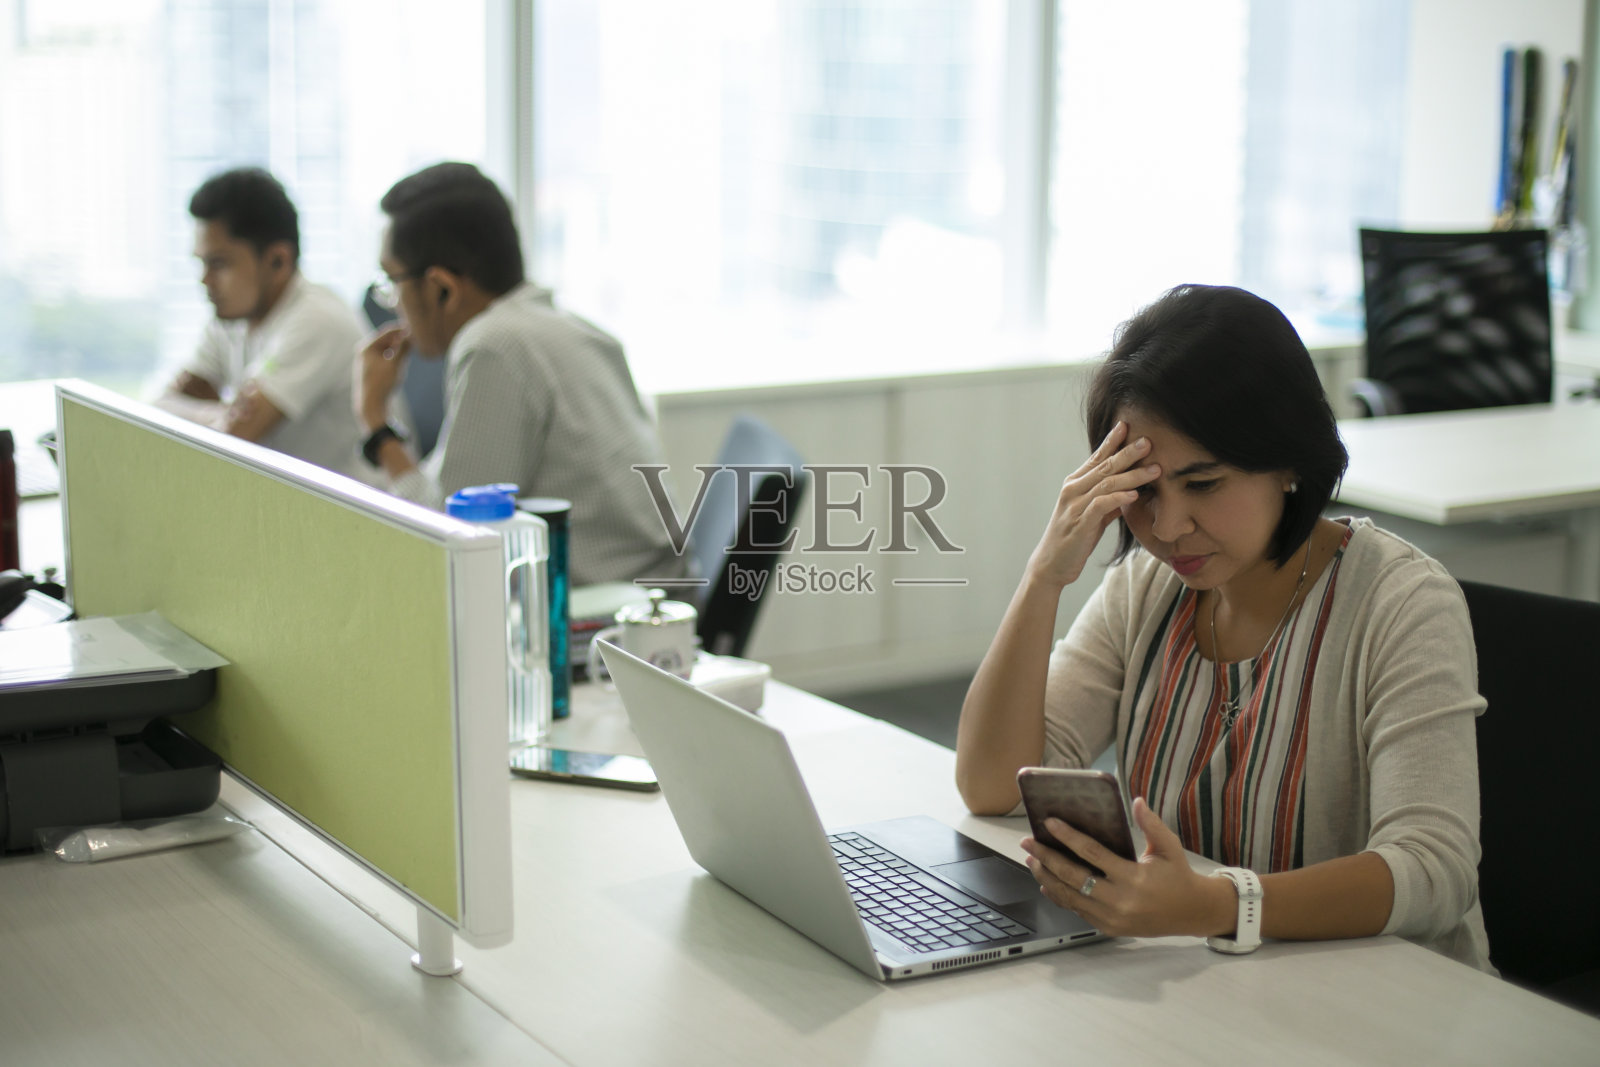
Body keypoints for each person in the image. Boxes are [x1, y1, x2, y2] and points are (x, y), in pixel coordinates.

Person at [955, 284, 1490, 970]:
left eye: (1203, 484)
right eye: (1143, 490)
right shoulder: (1148, 585)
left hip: (1390, 1001)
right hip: (1211, 984)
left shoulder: (1401, 602)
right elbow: (994, 783)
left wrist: (1216, 904)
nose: (1169, 527)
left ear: (1288, 460)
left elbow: (1434, 869)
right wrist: (1043, 577)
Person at [355, 162, 684, 587]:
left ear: (442, 288)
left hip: (597, 617)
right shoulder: (562, 326)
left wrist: (375, 422)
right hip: (649, 596)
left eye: (391, 280)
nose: (392, 302)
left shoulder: (495, 346)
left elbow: (448, 541)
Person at [159, 167, 368, 480]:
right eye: (201, 263)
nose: (204, 280)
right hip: (287, 501)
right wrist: (218, 414)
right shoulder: (230, 320)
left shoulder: (318, 320)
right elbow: (160, 407)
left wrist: (221, 418)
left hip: (356, 513)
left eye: (218, 263)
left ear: (278, 261)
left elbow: (235, 437)